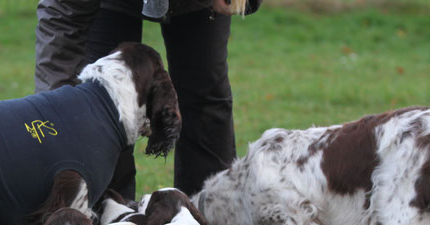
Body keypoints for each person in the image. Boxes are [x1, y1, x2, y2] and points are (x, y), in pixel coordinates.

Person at [34, 0, 262, 200]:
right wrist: (53, 110)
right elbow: (62, 21)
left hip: (195, 4)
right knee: (105, 101)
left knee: (204, 96)